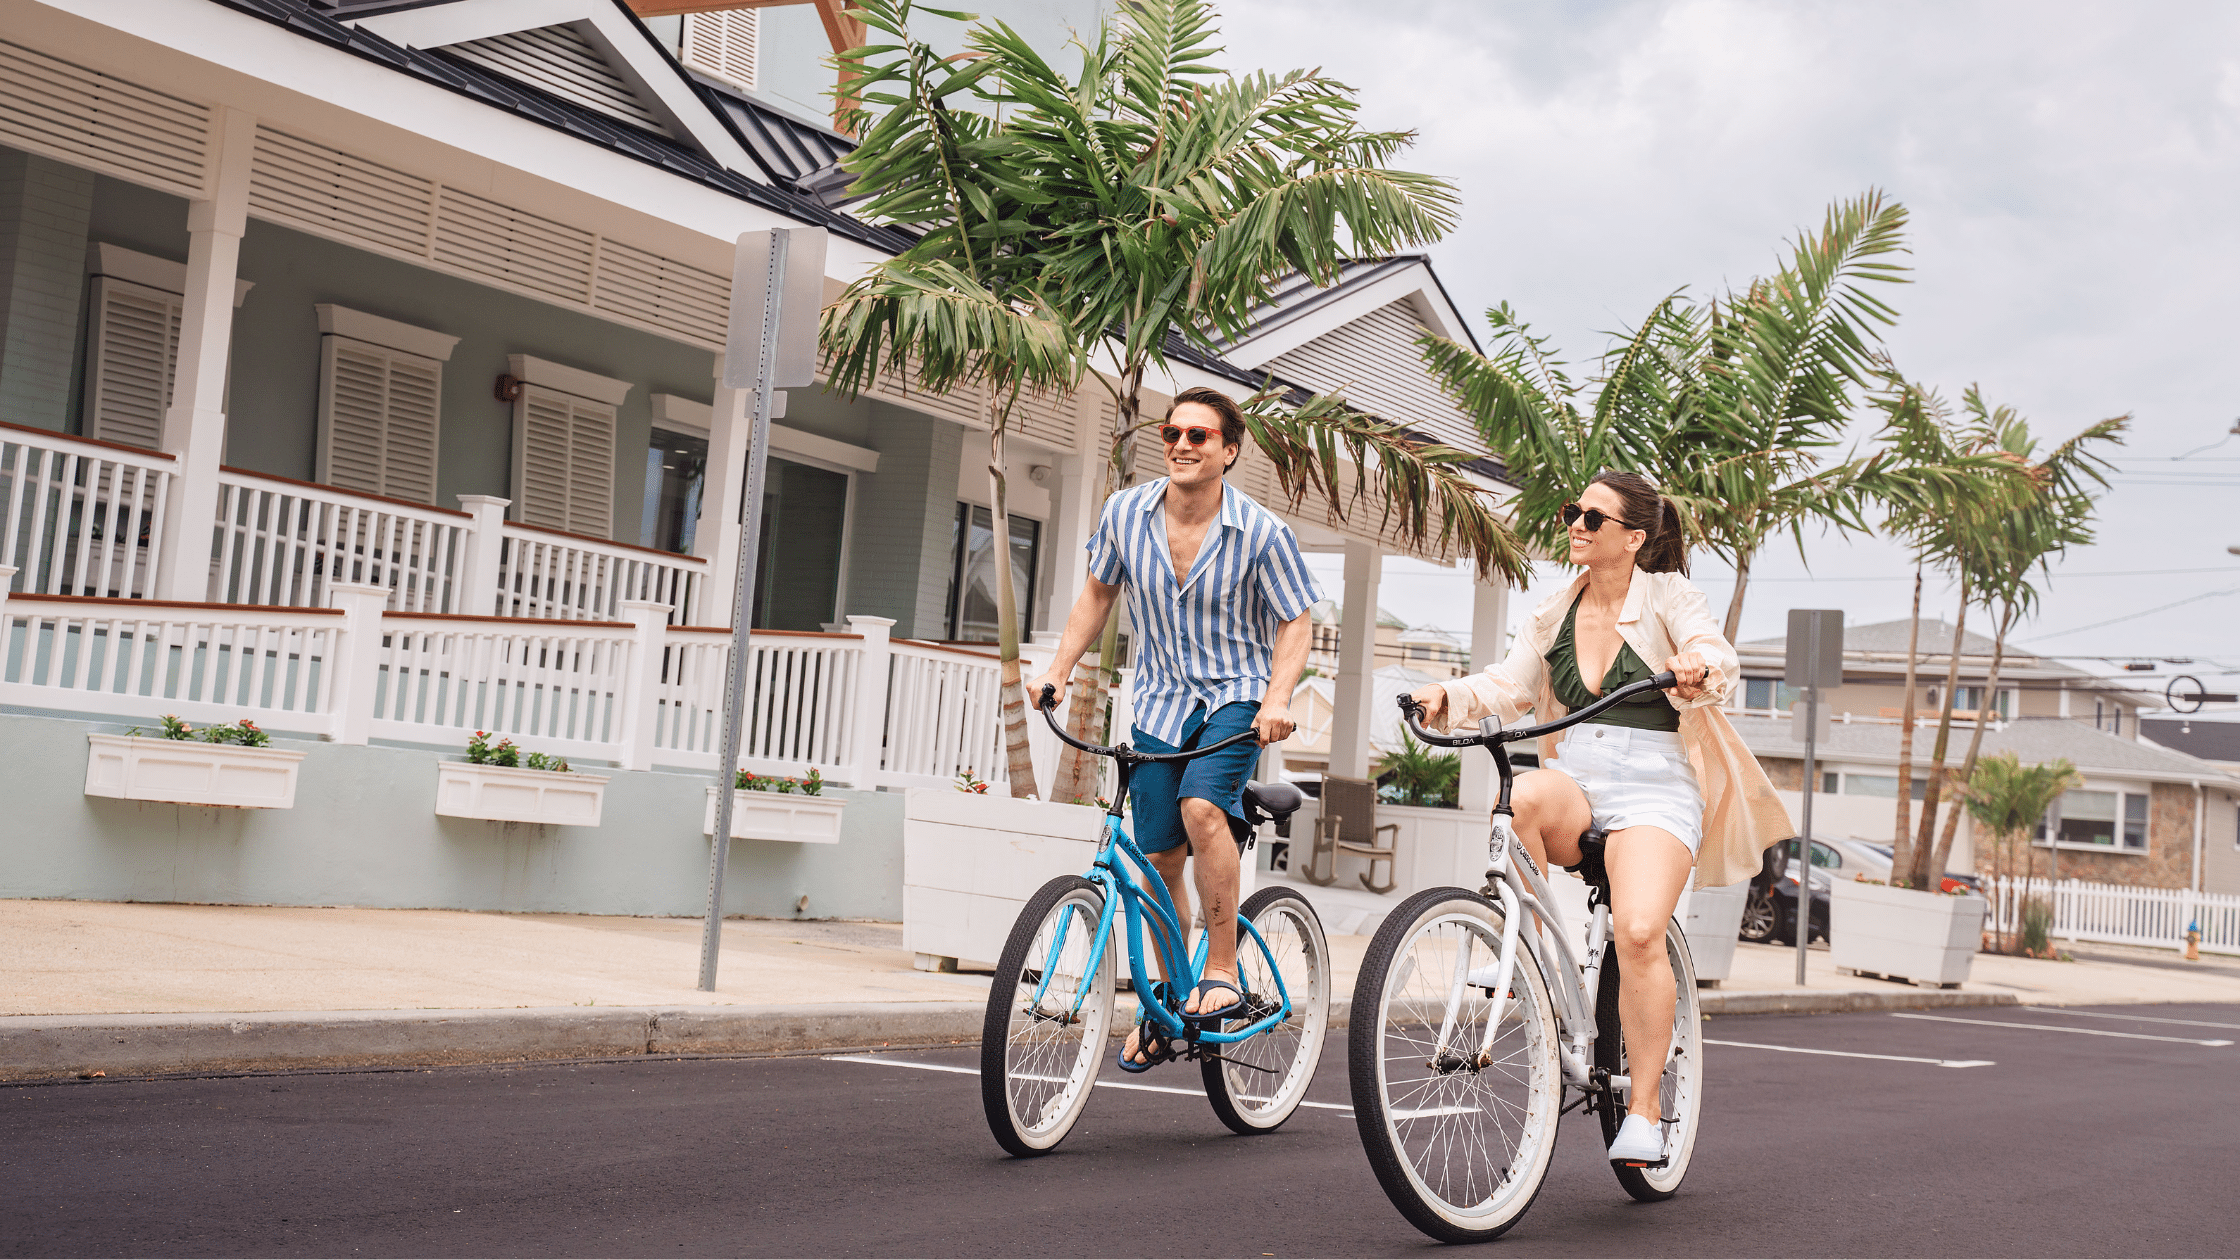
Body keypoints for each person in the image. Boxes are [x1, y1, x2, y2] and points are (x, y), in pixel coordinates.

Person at [1408, 470, 1791, 1165]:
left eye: (1592, 516)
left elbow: (1715, 651)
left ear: (1634, 537)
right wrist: (1444, 692)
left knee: (1638, 931)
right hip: (1579, 773)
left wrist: (1696, 669)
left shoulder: (1668, 595)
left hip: (1656, 784)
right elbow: (1509, 687)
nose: (1575, 525)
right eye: (1571, 513)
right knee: (1520, 799)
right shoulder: (1556, 608)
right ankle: (1526, 947)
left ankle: (1644, 1111)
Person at [1030, 386, 1318, 1071]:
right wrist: (1059, 670)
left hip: (1237, 694)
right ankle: (1167, 997)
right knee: (1158, 855)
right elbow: (1098, 593)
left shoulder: (1261, 532)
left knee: (1201, 809)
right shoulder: (1126, 514)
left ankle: (1220, 969)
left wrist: (1277, 697)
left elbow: (1296, 620)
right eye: (1173, 434)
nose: (1182, 445)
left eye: (1199, 436)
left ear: (1228, 450)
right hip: (1158, 699)